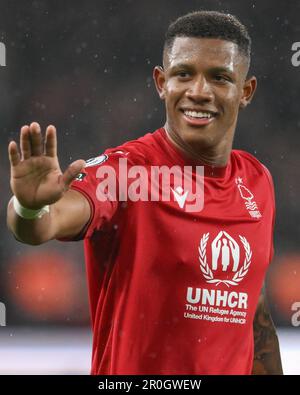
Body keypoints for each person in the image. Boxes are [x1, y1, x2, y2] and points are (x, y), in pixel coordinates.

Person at [7, 11, 283, 375]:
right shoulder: (129, 172)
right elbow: (44, 224)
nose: (198, 92)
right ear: (161, 82)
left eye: (219, 78)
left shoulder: (256, 181)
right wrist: (29, 207)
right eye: (184, 74)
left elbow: (252, 313)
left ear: (245, 91)